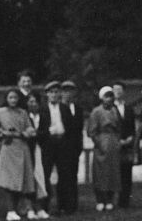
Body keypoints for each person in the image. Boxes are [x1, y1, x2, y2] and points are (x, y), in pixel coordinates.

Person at [0, 89, 37, 221]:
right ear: (6, 99)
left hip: (22, 147)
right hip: (8, 148)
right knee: (9, 181)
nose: (13, 100)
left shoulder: (23, 112)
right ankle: (10, 210)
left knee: (24, 180)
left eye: (15, 98)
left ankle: (23, 208)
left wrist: (27, 133)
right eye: (10, 97)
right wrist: (0, 132)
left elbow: (30, 128)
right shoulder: (1, 112)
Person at [39, 81, 72, 214]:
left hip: (62, 144)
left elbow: (70, 127)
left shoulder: (64, 108)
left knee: (64, 175)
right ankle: (45, 206)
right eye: (51, 92)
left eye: (56, 92)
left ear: (60, 94)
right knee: (45, 175)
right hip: (48, 144)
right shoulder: (42, 109)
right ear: (47, 94)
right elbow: (40, 128)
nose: (54, 95)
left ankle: (63, 206)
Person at [88, 86, 121, 211]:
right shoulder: (96, 111)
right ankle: (100, 200)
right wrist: (99, 144)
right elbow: (91, 131)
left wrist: (117, 141)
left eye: (111, 96)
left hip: (113, 141)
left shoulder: (115, 110)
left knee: (113, 172)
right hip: (101, 141)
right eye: (106, 96)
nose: (109, 99)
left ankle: (110, 199)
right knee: (100, 172)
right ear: (102, 98)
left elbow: (119, 127)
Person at [59, 80, 83, 214]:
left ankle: (73, 204)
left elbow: (79, 130)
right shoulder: (59, 108)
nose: (68, 94)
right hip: (62, 148)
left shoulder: (78, 109)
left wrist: (79, 145)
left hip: (74, 147)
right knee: (63, 176)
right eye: (65, 91)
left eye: (71, 91)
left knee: (73, 176)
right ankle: (63, 205)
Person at [26, 92, 50, 219]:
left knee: (42, 178)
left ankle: (41, 208)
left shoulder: (44, 116)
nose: (33, 104)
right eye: (30, 101)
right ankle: (30, 208)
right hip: (28, 151)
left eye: (35, 101)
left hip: (41, 150)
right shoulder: (24, 116)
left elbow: (46, 132)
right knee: (30, 179)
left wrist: (36, 134)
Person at [112, 81, 136, 208]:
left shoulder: (129, 108)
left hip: (128, 145)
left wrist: (130, 138)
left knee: (127, 173)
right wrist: (118, 140)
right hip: (115, 144)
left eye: (120, 90)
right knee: (116, 172)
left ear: (124, 92)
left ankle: (125, 201)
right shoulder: (110, 108)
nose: (118, 92)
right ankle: (113, 201)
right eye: (115, 90)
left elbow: (132, 126)